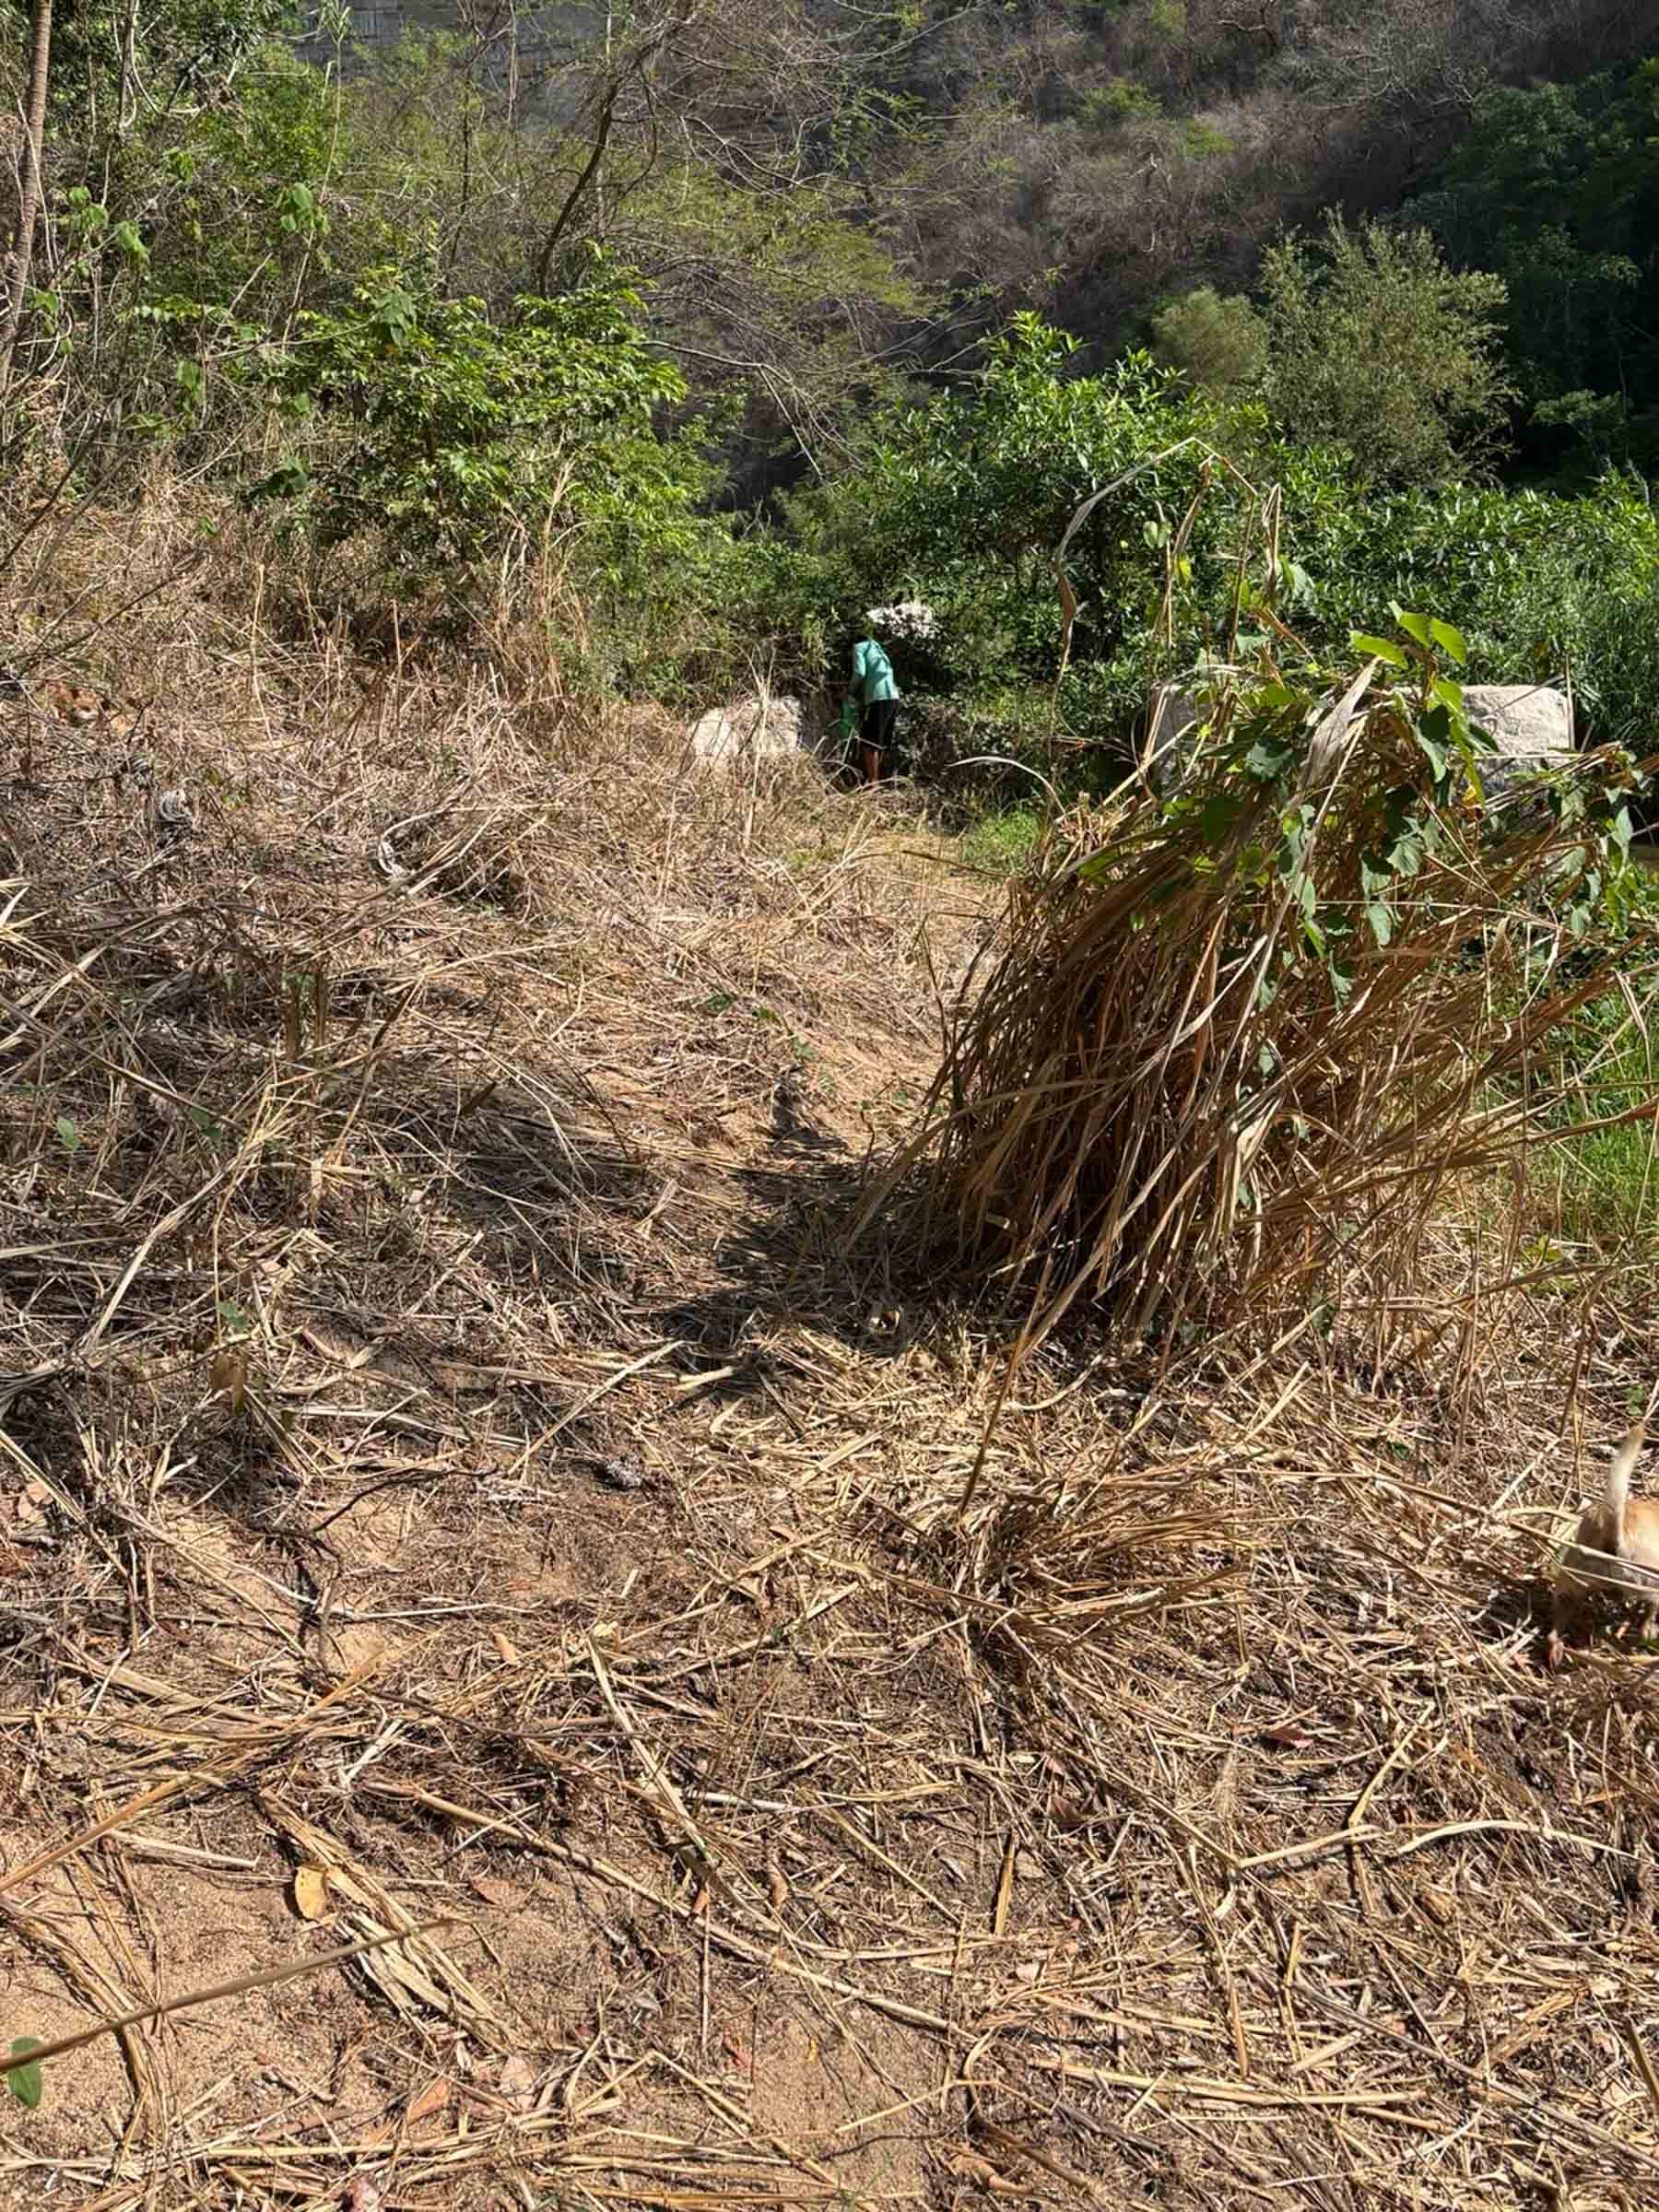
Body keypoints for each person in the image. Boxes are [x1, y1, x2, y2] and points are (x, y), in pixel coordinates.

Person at [843, 615, 901, 786]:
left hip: (880, 699)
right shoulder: (877, 648)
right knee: (879, 742)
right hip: (893, 698)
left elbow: (860, 673)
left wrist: (849, 692)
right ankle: (875, 780)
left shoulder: (859, 647)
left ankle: (873, 784)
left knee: (869, 743)